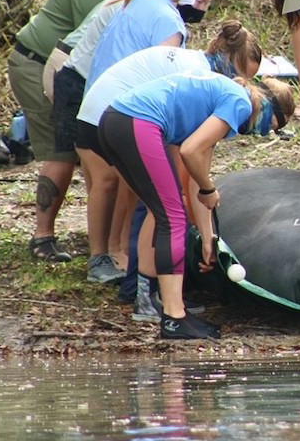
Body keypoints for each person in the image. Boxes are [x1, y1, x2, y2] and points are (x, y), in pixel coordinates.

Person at [50, 0, 216, 282]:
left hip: (96, 102)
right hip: (115, 109)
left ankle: (111, 254)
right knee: (126, 185)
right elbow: (163, 85)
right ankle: (119, 256)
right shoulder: (165, 18)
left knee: (111, 183)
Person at [7, 0, 164, 263]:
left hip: (55, 62)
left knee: (84, 153)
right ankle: (43, 236)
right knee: (60, 152)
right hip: (37, 62)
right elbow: (93, 40)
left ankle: (101, 236)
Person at [74, 22, 265, 293]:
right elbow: (189, 161)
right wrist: (204, 197)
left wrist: (208, 234)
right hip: (113, 114)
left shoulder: (199, 68)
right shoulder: (203, 78)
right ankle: (145, 285)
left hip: (108, 113)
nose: (241, 82)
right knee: (164, 204)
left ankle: (129, 266)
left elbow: (193, 166)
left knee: (149, 196)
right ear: (227, 58)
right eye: (239, 73)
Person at [98, 72, 271, 339]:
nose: (264, 133)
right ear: (267, 110)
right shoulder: (239, 102)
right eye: (272, 126)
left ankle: (159, 305)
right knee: (173, 218)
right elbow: (190, 152)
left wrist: (207, 238)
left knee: (164, 212)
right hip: (135, 121)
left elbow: (194, 183)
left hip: (114, 120)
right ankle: (174, 317)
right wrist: (209, 188)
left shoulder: (214, 105)